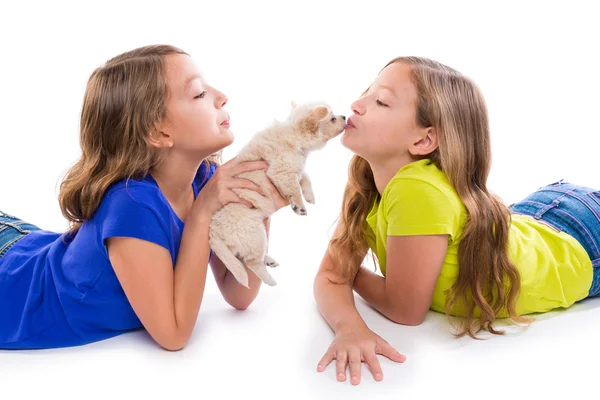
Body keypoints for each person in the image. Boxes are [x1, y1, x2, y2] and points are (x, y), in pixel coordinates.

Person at [313, 56, 600, 385]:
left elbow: (404, 310)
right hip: (539, 216)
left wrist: (346, 272)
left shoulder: (415, 189)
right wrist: (350, 325)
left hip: (584, 244)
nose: (356, 104)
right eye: (368, 92)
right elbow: (330, 277)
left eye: (381, 101)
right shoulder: (369, 180)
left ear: (423, 140)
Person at [0, 44, 288, 350]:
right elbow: (173, 335)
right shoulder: (131, 205)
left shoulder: (204, 180)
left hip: (25, 248)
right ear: (159, 133)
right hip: (13, 291)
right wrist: (203, 213)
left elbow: (240, 293)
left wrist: (260, 207)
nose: (221, 97)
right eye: (199, 93)